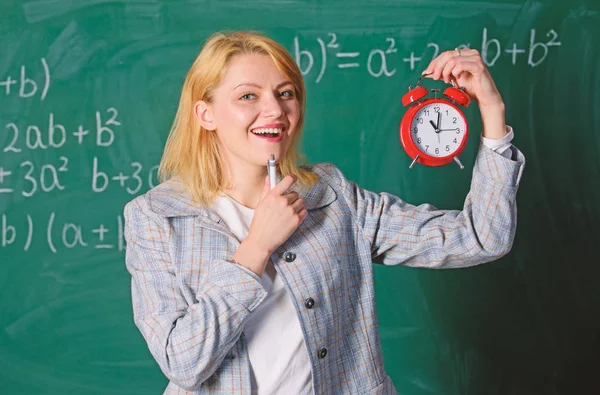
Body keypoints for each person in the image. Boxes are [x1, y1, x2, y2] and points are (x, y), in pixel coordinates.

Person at [124, 31, 525, 395]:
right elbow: (183, 362)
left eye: (285, 93)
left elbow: (481, 236)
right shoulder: (157, 218)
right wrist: (257, 246)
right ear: (205, 114)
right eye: (248, 96)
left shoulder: (332, 198)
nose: (275, 111)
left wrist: (492, 111)